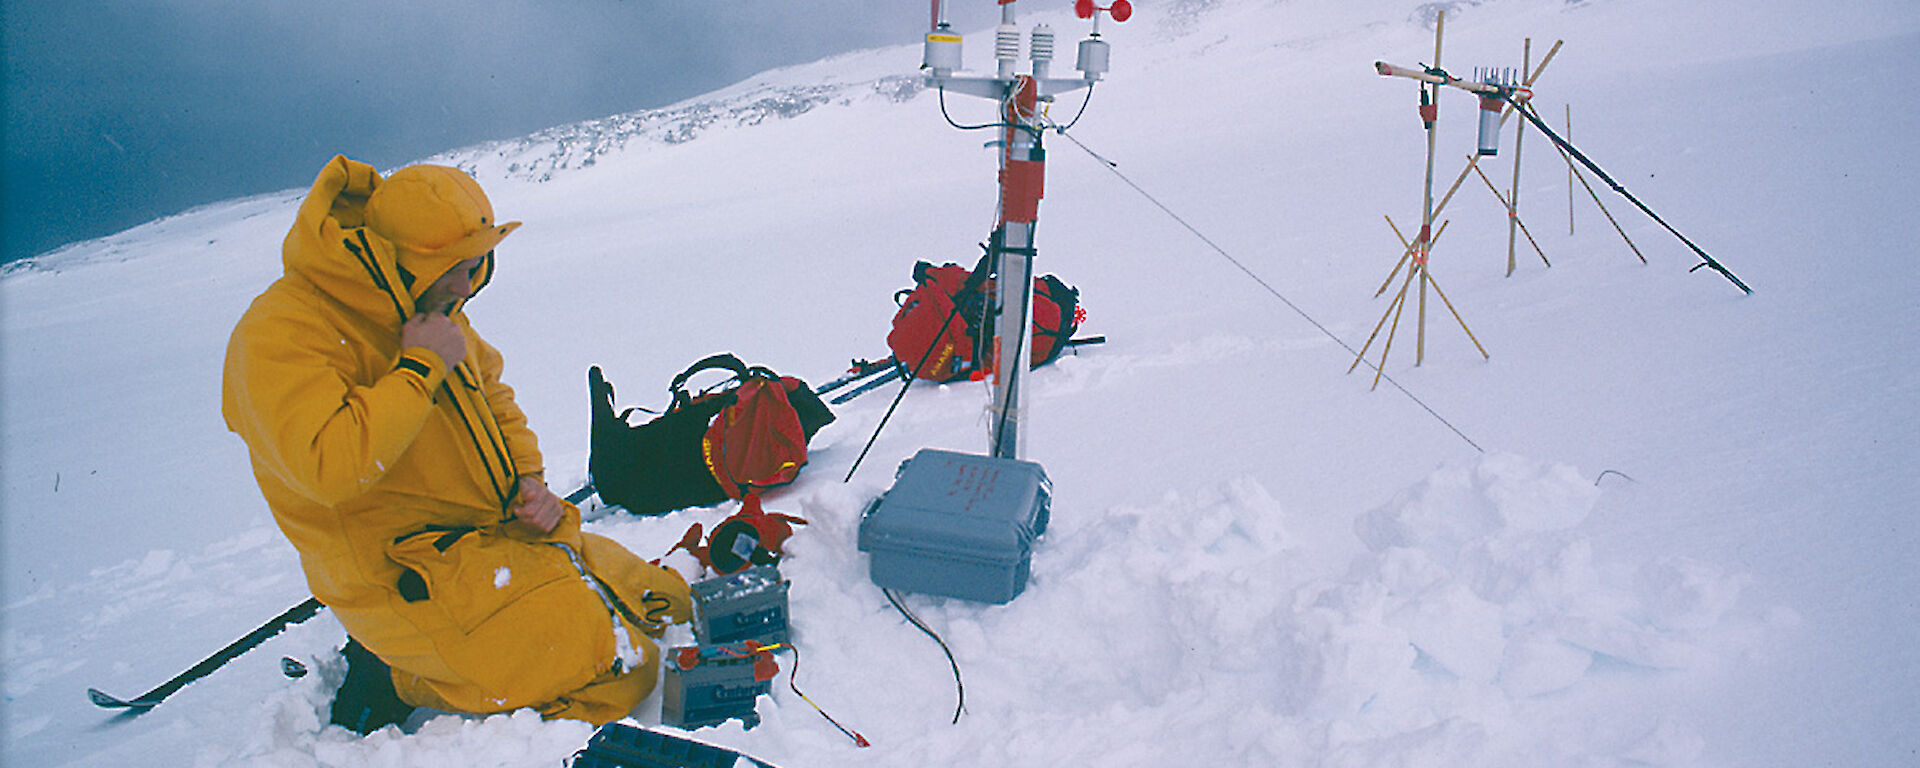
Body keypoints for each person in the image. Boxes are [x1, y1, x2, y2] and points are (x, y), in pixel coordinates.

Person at [222, 155, 690, 734]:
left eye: (476, 265)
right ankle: (400, 675)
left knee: (666, 604)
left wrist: (529, 481)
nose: (467, 286)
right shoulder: (282, 334)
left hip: (491, 540)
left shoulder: (428, 304)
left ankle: (483, 649)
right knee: (626, 669)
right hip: (405, 576)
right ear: (401, 259)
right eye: (454, 268)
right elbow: (327, 464)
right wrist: (419, 368)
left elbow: (492, 395)